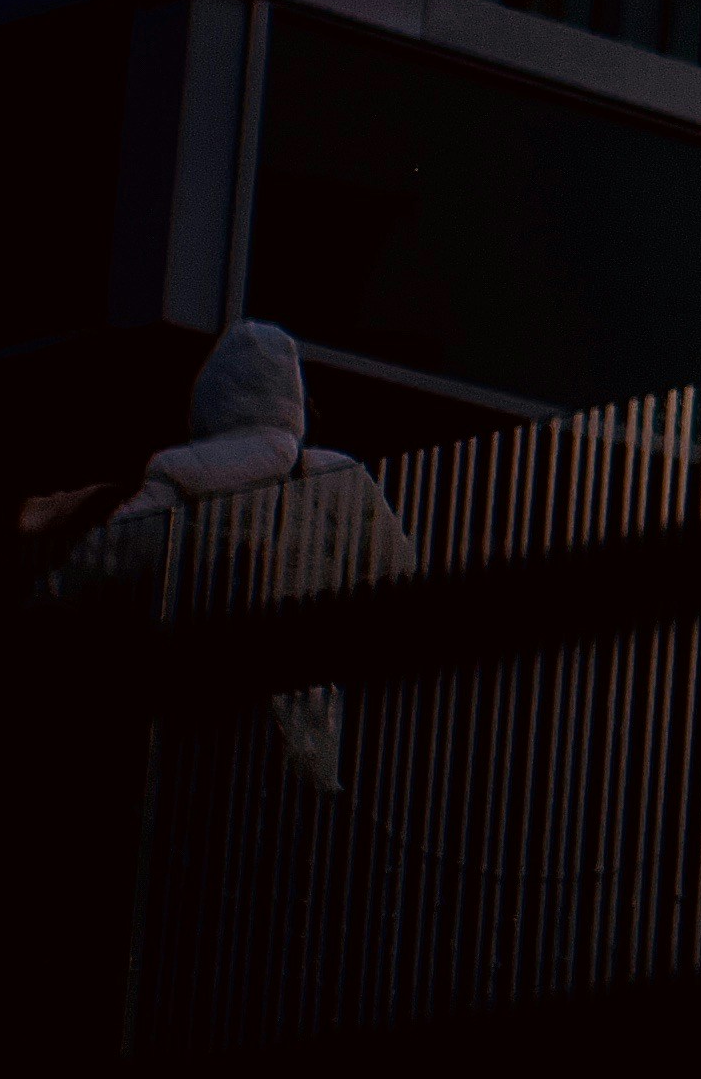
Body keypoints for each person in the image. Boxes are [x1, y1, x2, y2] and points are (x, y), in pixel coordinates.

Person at [35, 319, 416, 787]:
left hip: (183, 734)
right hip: (304, 740)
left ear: (210, 398)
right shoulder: (335, 481)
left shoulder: (174, 484)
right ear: (290, 399)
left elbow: (82, 580)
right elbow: (402, 581)